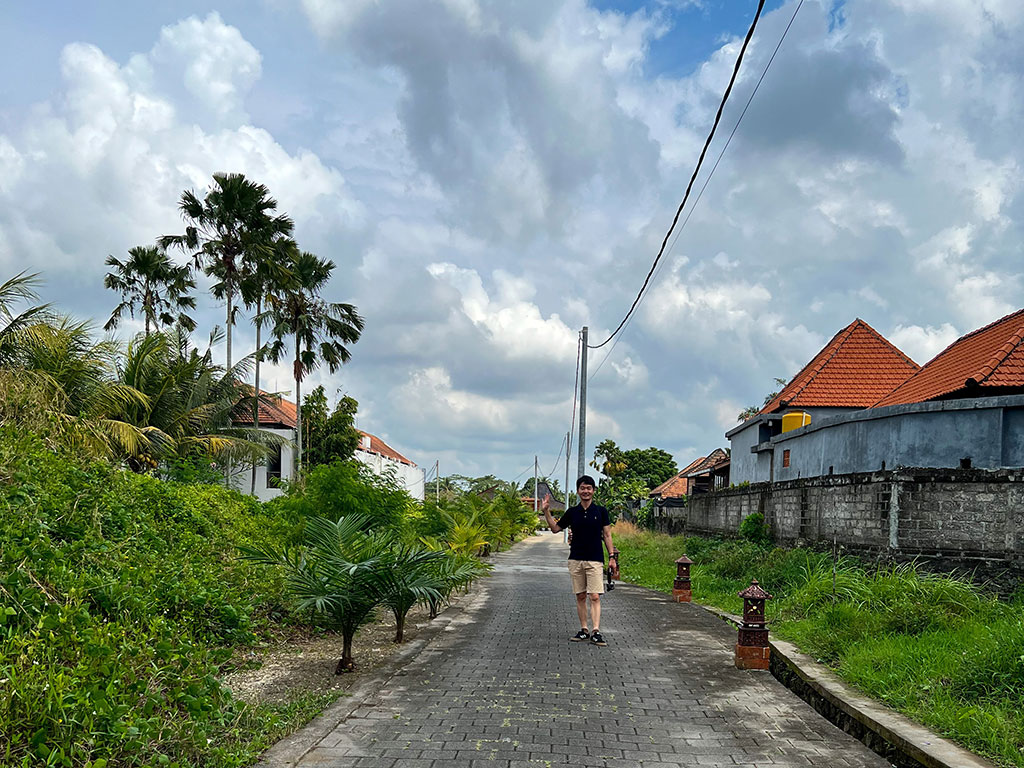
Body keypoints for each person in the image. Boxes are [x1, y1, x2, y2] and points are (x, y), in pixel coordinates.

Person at [542, 475, 616, 646]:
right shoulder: (572, 512)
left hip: (595, 559)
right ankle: (584, 629)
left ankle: (596, 631)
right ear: (577, 491)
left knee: (595, 596)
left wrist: (611, 556)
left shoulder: (601, 511)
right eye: (582, 488)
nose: (586, 491)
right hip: (576, 559)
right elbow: (555, 529)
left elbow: (607, 535)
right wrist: (546, 511)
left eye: (589, 488)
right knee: (581, 595)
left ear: (593, 491)